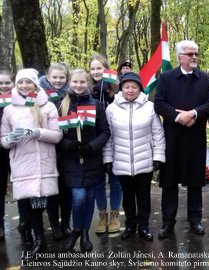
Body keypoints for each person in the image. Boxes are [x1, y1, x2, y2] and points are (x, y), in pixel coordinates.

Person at [154, 40, 209, 238]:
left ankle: (195, 220)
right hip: (172, 137)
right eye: (190, 54)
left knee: (195, 181)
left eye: (196, 53)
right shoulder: (166, 78)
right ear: (180, 56)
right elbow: (159, 104)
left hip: (195, 135)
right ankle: (167, 222)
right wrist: (179, 116)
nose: (194, 57)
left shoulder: (205, 79)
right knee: (170, 180)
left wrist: (195, 114)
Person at [1, 68, 62, 257]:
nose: (24, 86)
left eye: (28, 82)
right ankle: (39, 240)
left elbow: (57, 135)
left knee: (40, 201)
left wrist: (38, 133)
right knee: (30, 201)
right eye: (21, 82)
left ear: (35, 84)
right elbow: (3, 139)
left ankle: (26, 225)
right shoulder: (10, 109)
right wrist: (10, 138)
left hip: (43, 162)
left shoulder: (48, 106)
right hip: (21, 162)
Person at [104, 72, 165, 241]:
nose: (130, 90)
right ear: (121, 88)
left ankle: (143, 226)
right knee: (128, 197)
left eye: (134, 87)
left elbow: (158, 134)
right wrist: (107, 159)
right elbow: (108, 136)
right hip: (121, 161)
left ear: (140, 88)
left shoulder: (149, 107)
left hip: (144, 160)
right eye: (127, 87)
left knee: (144, 196)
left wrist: (158, 157)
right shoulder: (112, 109)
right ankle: (130, 224)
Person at [60, 69, 110, 252]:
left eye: (82, 82)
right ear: (69, 82)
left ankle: (84, 232)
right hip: (71, 159)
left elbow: (105, 132)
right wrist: (68, 145)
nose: (78, 85)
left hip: (91, 158)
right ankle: (76, 229)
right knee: (78, 196)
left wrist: (92, 146)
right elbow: (56, 134)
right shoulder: (62, 104)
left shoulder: (96, 105)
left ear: (88, 83)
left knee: (89, 197)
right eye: (75, 82)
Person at [39, 63, 72, 240]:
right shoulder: (38, 95)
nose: (58, 81)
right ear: (48, 77)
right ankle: (54, 226)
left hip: (66, 148)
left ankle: (65, 223)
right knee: (52, 190)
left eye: (62, 78)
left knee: (66, 189)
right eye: (55, 78)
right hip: (47, 146)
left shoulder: (70, 95)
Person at [89, 54, 122, 234]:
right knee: (98, 181)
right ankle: (102, 214)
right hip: (95, 142)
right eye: (93, 69)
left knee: (115, 180)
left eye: (99, 68)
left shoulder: (115, 89)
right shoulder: (86, 89)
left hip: (115, 140)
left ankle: (115, 214)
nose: (96, 72)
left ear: (106, 69)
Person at [0, 70, 15, 241]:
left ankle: (27, 222)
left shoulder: (22, 99)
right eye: (0, 83)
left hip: (17, 149)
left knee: (20, 186)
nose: (4, 86)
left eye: (7, 83)